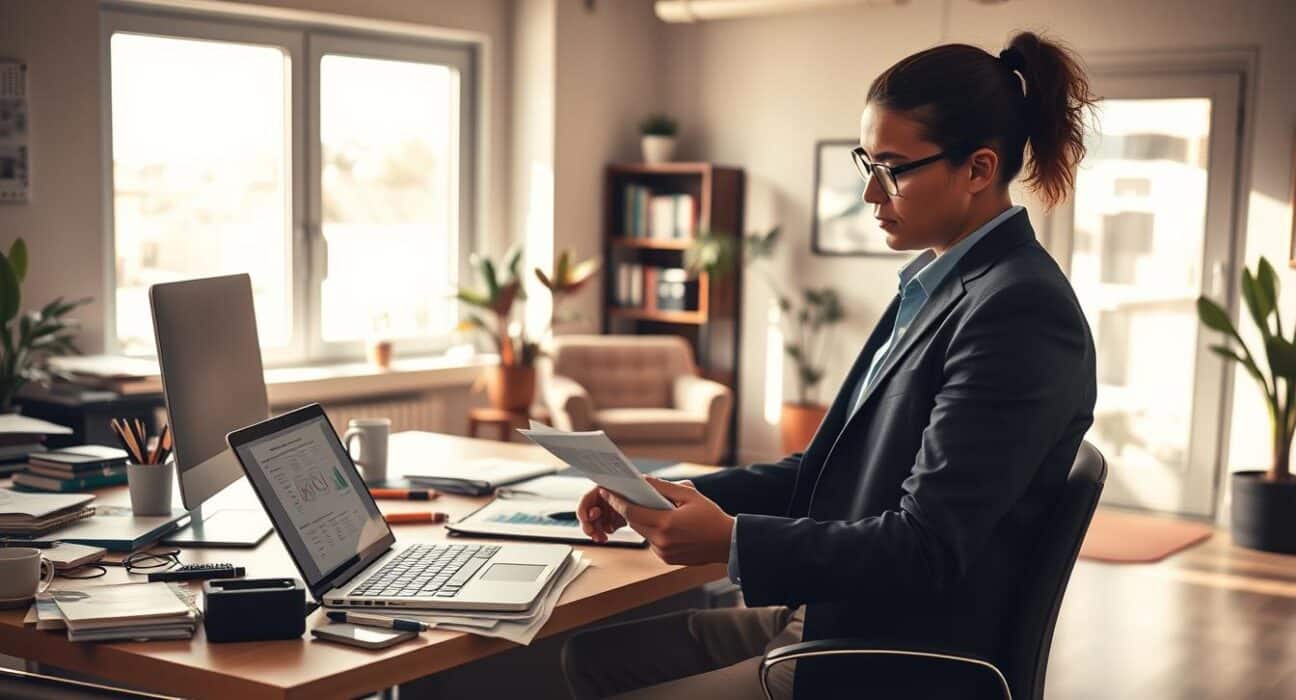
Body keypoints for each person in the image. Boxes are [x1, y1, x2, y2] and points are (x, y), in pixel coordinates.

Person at [562, 30, 1100, 700]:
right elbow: (820, 473)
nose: (871, 196)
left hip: (885, 655)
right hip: (821, 612)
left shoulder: (1020, 312)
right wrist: (678, 496)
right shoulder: (933, 285)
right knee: (581, 661)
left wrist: (732, 542)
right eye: (866, 164)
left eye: (894, 169)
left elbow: (924, 547)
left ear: (978, 170)